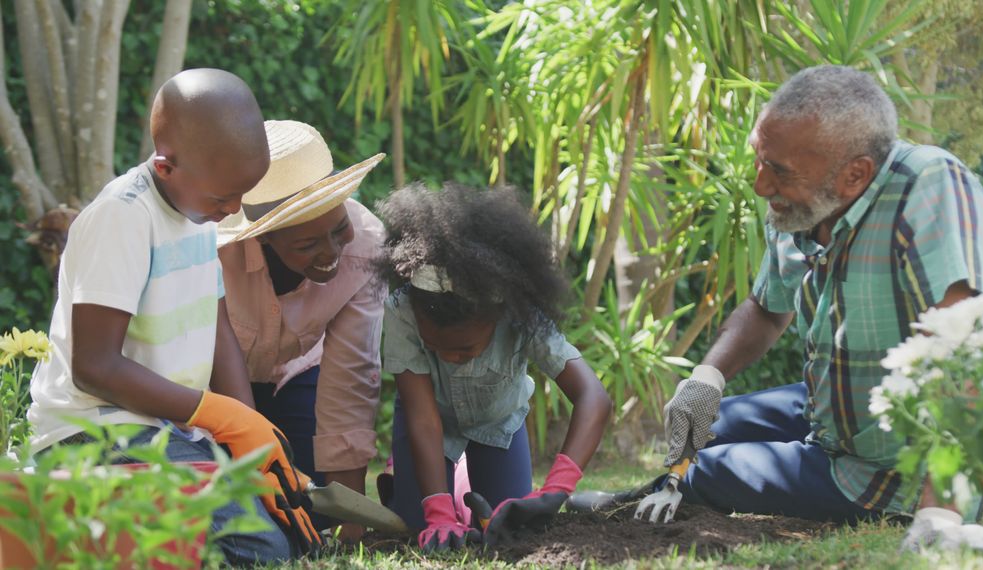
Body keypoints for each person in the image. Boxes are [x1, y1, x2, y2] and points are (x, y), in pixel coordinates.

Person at [573, 64, 983, 524]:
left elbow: (965, 349)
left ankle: (646, 502)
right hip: (837, 411)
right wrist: (707, 378)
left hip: (896, 461)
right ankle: (655, 491)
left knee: (710, 469)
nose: (760, 185)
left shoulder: (928, 185)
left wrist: (943, 514)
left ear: (854, 176)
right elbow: (765, 308)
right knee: (712, 428)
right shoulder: (802, 205)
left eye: (777, 170)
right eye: (759, 159)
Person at [27, 68, 318, 564]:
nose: (232, 211)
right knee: (259, 550)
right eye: (223, 198)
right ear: (166, 167)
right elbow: (94, 366)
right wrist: (219, 415)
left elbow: (218, 328)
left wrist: (250, 435)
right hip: (93, 431)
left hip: (168, 429)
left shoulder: (200, 210)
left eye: (240, 197)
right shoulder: (122, 217)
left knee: (290, 536)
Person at [373, 184, 612, 551]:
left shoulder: (519, 315)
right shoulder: (403, 310)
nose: (450, 357)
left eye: (466, 349)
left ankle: (463, 481)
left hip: (498, 425)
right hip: (427, 423)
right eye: (437, 348)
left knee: (510, 526)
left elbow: (593, 397)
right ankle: (423, 487)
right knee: (417, 526)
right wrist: (436, 511)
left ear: (498, 316)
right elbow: (423, 418)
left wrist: (556, 489)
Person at [216, 119, 386, 542]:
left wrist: (352, 523)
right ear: (264, 238)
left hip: (296, 374)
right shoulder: (214, 253)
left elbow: (351, 380)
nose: (331, 252)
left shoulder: (365, 248)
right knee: (241, 507)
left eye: (338, 228)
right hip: (214, 387)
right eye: (308, 244)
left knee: (312, 511)